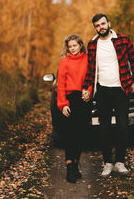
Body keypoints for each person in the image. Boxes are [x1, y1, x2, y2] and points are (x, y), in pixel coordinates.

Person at [82, 13, 134, 177]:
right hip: (101, 90)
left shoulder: (123, 39)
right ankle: (107, 163)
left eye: (103, 23)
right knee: (104, 127)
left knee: (122, 126)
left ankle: (120, 162)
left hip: (121, 90)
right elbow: (90, 70)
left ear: (108, 23)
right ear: (95, 28)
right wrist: (87, 88)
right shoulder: (92, 44)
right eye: (97, 25)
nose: (101, 27)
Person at [57, 34, 91, 183]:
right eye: (70, 46)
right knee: (70, 135)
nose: (72, 49)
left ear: (80, 45)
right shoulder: (64, 61)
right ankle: (69, 168)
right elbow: (60, 84)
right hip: (69, 100)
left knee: (81, 134)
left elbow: (91, 77)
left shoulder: (88, 59)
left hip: (83, 99)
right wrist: (63, 104)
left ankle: (76, 165)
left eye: (75, 46)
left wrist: (88, 91)